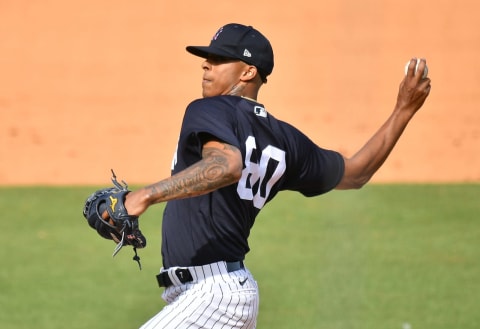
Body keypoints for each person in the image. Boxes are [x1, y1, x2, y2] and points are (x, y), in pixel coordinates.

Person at [124, 23, 431, 329]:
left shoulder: (209, 109)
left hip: (212, 296)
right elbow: (357, 173)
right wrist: (404, 109)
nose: (206, 65)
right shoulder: (285, 139)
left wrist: (144, 196)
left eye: (218, 59)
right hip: (220, 294)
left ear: (247, 72)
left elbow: (228, 164)